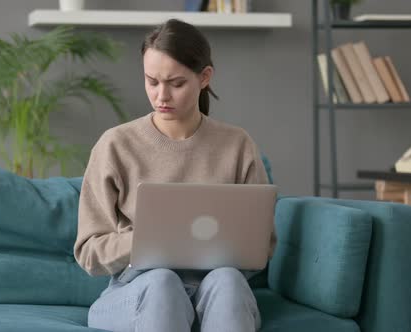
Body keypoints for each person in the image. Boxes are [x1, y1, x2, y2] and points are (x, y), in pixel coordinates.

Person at [74, 18, 276, 332]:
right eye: (152, 81)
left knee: (228, 280)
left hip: (216, 293)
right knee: (163, 283)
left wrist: (215, 249)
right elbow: (88, 252)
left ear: (204, 77)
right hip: (139, 290)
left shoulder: (237, 145)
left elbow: (262, 246)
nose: (161, 96)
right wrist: (145, 241)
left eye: (176, 83)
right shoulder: (116, 145)